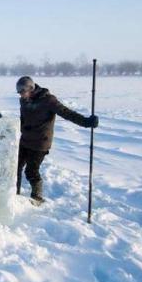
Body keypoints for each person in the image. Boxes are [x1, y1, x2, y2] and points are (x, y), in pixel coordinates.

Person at [16, 76, 99, 205]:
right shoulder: (23, 101)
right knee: (16, 167)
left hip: (40, 142)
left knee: (31, 171)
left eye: (22, 91)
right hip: (25, 139)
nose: (21, 95)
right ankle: (14, 194)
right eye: (19, 92)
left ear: (31, 89)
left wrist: (86, 122)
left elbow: (67, 113)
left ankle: (37, 198)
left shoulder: (48, 100)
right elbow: (23, 118)